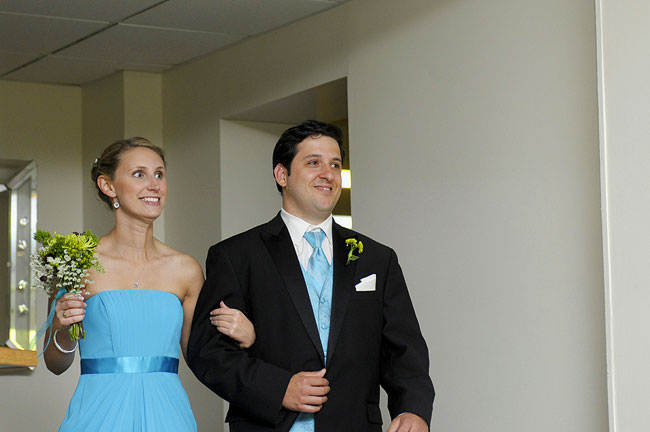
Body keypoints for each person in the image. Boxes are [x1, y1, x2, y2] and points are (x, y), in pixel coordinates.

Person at [188, 120, 434, 432]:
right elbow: (208, 352)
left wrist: (413, 410)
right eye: (313, 163)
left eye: (335, 164)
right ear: (282, 175)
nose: (328, 174)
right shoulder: (236, 256)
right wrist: (278, 388)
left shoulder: (377, 258)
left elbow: (405, 350)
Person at [44, 137, 256, 432]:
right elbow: (55, 364)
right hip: (97, 415)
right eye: (139, 174)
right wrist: (62, 325)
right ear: (108, 185)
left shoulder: (186, 269)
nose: (154, 185)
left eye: (159, 174)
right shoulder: (77, 262)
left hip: (167, 415)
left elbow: (204, 356)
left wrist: (247, 338)